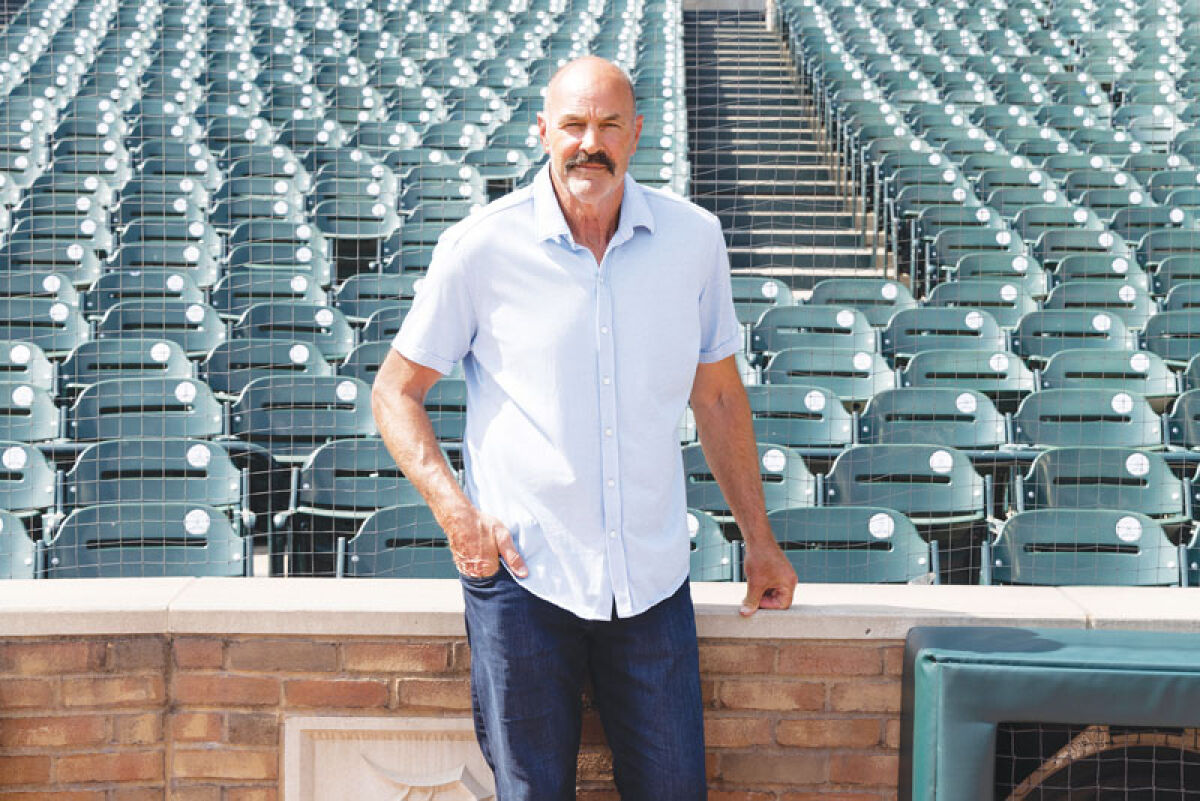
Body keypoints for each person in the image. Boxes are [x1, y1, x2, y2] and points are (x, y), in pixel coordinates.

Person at [372, 55, 798, 801]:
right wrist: (457, 515)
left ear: (636, 134)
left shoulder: (693, 241)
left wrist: (759, 542)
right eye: (572, 124)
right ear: (543, 131)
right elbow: (395, 391)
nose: (588, 143)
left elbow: (722, 400)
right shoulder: (481, 247)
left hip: (652, 585)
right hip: (524, 582)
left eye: (607, 125)